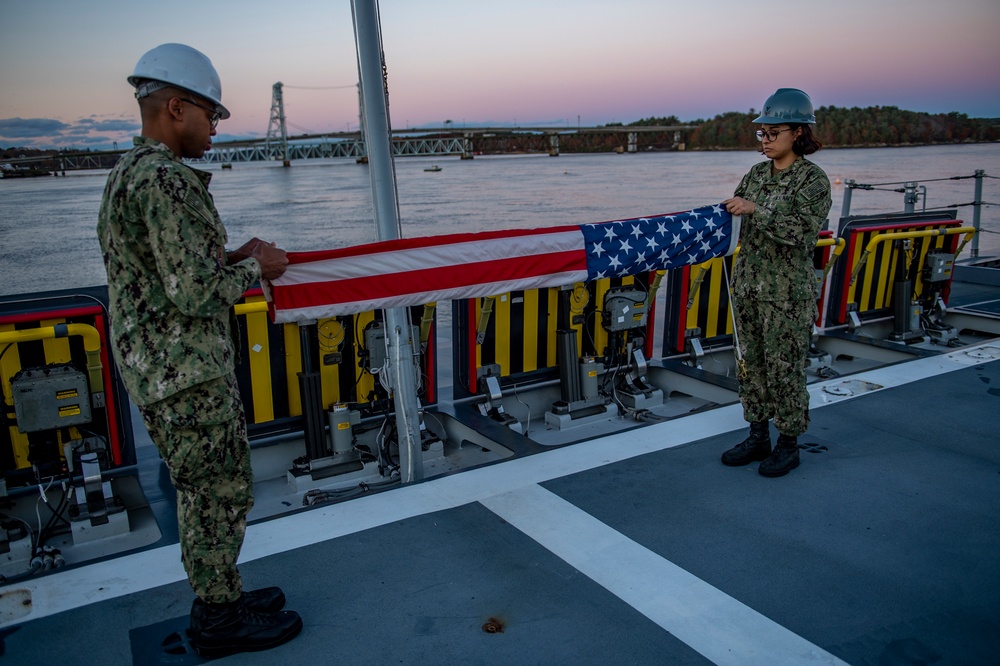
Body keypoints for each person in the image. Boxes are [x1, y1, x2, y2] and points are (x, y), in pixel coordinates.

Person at [97, 43, 301, 657]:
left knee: (202, 487)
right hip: (184, 371)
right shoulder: (165, 180)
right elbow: (194, 293)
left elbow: (162, 272)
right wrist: (258, 267)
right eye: (211, 115)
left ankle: (223, 593)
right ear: (176, 108)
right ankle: (218, 619)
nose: (215, 127)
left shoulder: (128, 171)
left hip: (161, 367)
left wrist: (231, 255)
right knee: (218, 489)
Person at [720, 88, 832, 478]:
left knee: (784, 368)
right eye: (761, 133)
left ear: (798, 133)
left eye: (772, 132)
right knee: (751, 366)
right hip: (749, 288)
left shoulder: (812, 180)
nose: (765, 140)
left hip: (786, 294)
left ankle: (788, 443)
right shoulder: (755, 175)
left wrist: (757, 209)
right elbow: (736, 216)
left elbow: (803, 231)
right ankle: (758, 435)